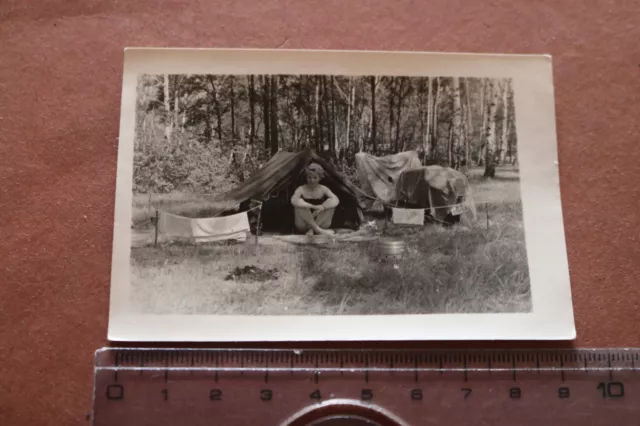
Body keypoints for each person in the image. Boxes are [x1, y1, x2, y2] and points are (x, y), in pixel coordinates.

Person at [291, 163, 340, 235]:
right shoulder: (301, 189)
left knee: (330, 203)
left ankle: (312, 229)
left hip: (322, 224)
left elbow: (336, 200)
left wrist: (323, 207)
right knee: (299, 203)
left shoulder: (323, 188)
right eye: (309, 177)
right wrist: (312, 206)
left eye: (315, 178)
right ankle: (318, 230)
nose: (312, 180)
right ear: (306, 177)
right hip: (303, 225)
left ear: (320, 178)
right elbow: (293, 201)